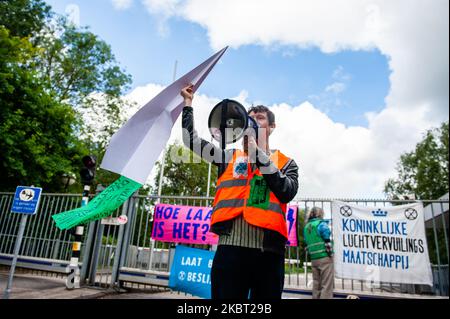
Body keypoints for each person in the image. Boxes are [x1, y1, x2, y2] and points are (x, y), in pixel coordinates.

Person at [180, 84, 299, 299]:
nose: (253, 120)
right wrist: (188, 103)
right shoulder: (227, 157)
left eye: (260, 118)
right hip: (230, 251)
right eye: (249, 117)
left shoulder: (286, 163)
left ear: (271, 127)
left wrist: (259, 155)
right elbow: (192, 141)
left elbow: (286, 192)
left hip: (269, 254)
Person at [303, 207, 334, 299]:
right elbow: (327, 241)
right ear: (320, 214)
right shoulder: (321, 224)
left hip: (314, 259)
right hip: (324, 257)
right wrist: (330, 254)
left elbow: (307, 242)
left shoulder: (306, 227)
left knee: (316, 284)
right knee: (326, 285)